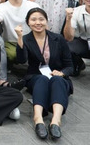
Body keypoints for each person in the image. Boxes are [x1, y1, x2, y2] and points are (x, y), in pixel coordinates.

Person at [15, 8, 74, 140]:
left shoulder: (58, 39)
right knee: (42, 79)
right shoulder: (26, 39)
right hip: (36, 77)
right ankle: (38, 118)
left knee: (57, 81)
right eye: (34, 19)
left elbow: (70, 66)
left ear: (47, 21)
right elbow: (21, 60)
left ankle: (56, 121)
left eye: (41, 19)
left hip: (57, 77)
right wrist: (19, 38)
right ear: (28, 23)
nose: (38, 22)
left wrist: (62, 73)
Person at [64, 0, 90, 76]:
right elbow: (68, 38)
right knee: (67, 46)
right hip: (84, 42)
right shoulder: (76, 11)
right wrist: (68, 18)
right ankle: (78, 64)